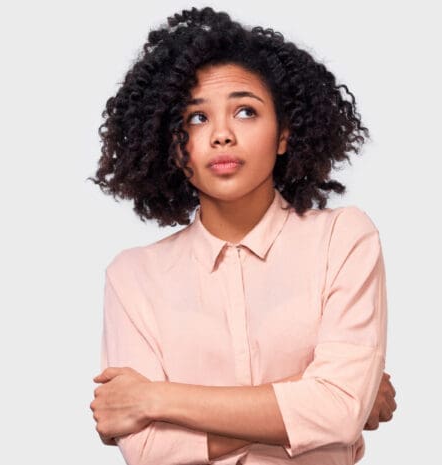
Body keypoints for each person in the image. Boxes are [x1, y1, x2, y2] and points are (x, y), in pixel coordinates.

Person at [89, 6, 396, 464]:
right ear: (172, 146)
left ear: (284, 134)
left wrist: (154, 399)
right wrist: (323, 399)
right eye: (196, 118)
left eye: (246, 111)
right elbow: (149, 452)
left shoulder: (343, 240)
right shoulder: (133, 276)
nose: (221, 135)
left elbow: (337, 411)